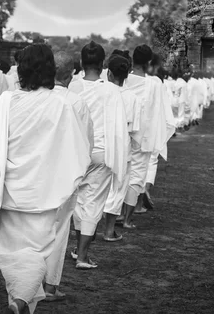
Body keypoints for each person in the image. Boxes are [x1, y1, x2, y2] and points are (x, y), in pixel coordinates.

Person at [0, 44, 91, 313]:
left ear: (21, 70)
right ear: (50, 70)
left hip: (10, 189)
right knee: (36, 250)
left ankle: (20, 299)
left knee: (10, 251)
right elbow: (76, 151)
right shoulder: (61, 103)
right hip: (45, 191)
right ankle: (21, 300)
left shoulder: (8, 101)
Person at [68, 41, 130, 270]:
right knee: (93, 204)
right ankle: (83, 255)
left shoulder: (72, 87)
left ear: (82, 62)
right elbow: (120, 128)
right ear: (103, 64)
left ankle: (77, 249)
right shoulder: (112, 90)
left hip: (77, 151)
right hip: (102, 152)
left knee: (77, 201)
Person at [42, 51, 93, 301]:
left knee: (30, 230)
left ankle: (23, 285)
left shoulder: (31, 98)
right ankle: (49, 286)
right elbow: (86, 143)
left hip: (34, 175)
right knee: (59, 230)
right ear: (71, 75)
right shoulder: (75, 101)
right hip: (64, 176)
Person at [122, 45, 176, 224]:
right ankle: (128, 218)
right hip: (142, 136)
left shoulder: (121, 78)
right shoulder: (154, 83)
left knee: (119, 174)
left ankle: (114, 213)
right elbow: (162, 114)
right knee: (137, 176)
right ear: (148, 63)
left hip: (121, 134)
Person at [102, 54, 141, 240]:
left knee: (95, 189)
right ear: (127, 75)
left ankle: (88, 230)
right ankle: (109, 231)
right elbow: (134, 129)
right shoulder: (132, 97)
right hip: (121, 146)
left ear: (108, 72)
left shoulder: (100, 91)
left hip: (100, 144)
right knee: (117, 188)